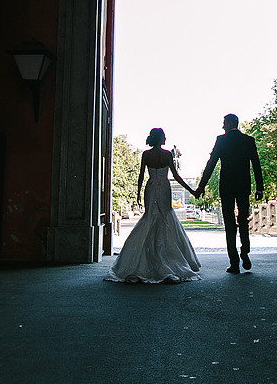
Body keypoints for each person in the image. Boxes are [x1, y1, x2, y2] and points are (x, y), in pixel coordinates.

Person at [104, 128, 201, 283]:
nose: (166, 138)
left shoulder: (146, 155)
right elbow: (176, 176)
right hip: (164, 187)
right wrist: (192, 191)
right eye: (164, 136)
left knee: (149, 217)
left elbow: (142, 175)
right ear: (160, 138)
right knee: (166, 217)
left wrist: (137, 193)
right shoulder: (168, 154)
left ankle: (144, 259)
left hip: (151, 186)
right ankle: (169, 259)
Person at [194, 113, 263, 274]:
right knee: (244, 221)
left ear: (230, 123)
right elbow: (256, 165)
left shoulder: (221, 140)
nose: (222, 126)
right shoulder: (248, 140)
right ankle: (245, 252)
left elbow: (211, 164)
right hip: (243, 186)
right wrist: (259, 188)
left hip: (226, 187)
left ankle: (234, 263)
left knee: (229, 225)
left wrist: (202, 186)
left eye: (224, 123)